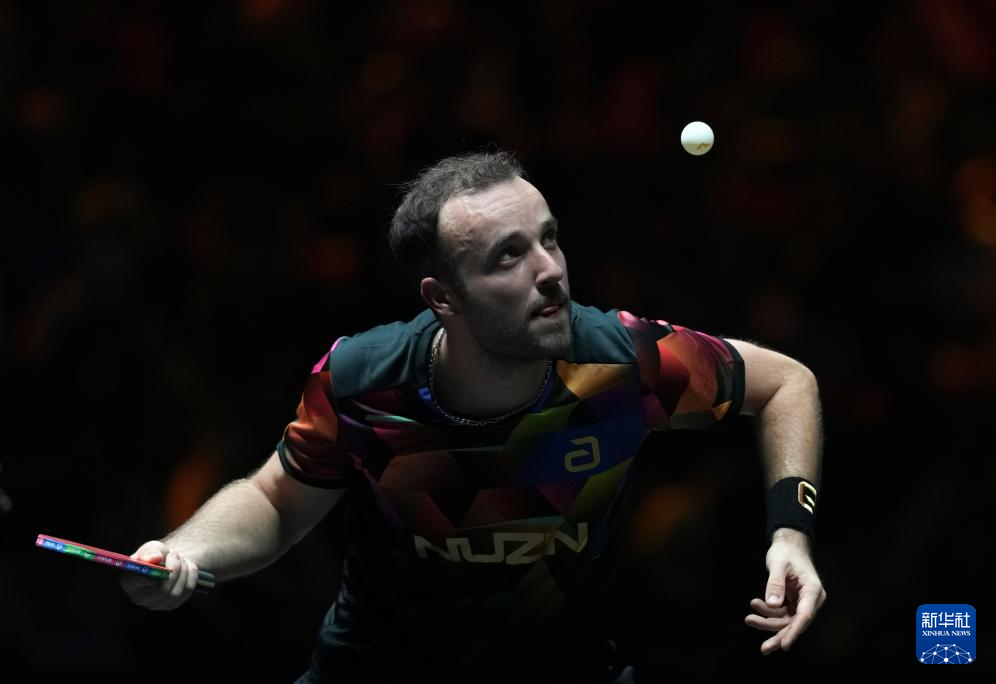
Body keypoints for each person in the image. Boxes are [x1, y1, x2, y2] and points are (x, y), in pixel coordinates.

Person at [123, 151, 826, 683]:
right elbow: (277, 501)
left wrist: (789, 535)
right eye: (508, 256)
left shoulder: (627, 361)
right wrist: (187, 552)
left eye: (550, 239)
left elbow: (786, 384)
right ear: (444, 298)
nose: (550, 270)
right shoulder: (363, 381)